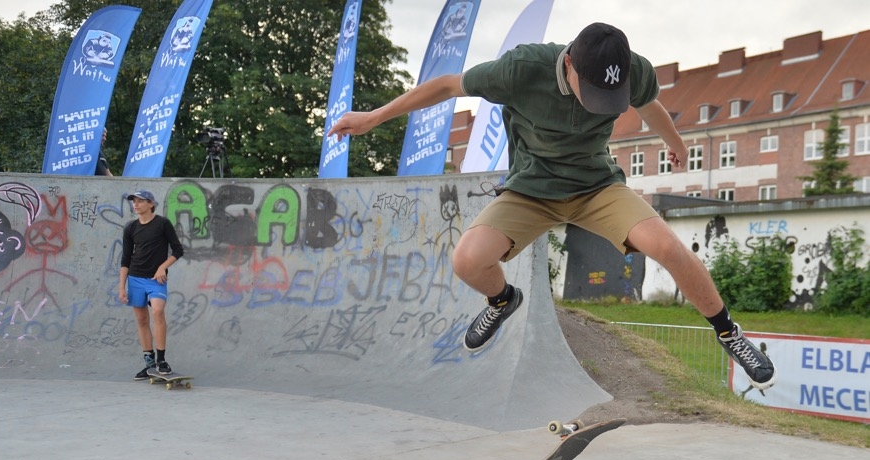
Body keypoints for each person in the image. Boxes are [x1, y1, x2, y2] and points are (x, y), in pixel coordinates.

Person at [328, 22, 776, 390]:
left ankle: (728, 332)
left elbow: (651, 105)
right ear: (568, 65)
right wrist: (373, 117)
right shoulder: (522, 68)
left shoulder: (635, 71)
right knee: (466, 260)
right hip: (532, 189)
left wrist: (675, 143)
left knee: (670, 249)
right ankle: (503, 300)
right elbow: (447, 85)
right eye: (593, 93)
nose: (600, 107)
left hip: (597, 186)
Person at [118, 190, 185, 379]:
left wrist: (162, 267)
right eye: (134, 201)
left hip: (156, 280)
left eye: (140, 201)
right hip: (135, 278)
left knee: (157, 311)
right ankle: (149, 363)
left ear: (151, 204)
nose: (136, 205)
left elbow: (178, 250)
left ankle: (162, 360)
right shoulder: (130, 228)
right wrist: (122, 286)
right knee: (141, 320)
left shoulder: (162, 224)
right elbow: (125, 259)